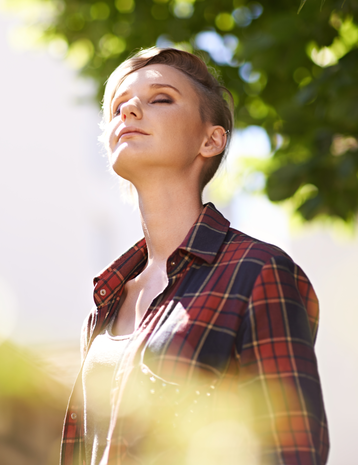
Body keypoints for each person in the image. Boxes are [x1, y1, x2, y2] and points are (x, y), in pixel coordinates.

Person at [60, 47, 329, 465]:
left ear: (211, 139)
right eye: (118, 106)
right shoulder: (104, 306)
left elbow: (291, 449)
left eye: (160, 98)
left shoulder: (257, 272)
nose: (129, 110)